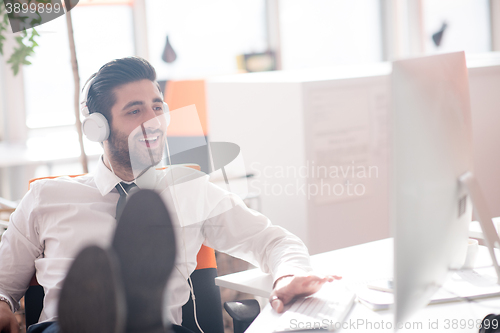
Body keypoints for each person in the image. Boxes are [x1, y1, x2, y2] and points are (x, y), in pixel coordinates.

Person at [0, 57, 340, 333]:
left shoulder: (191, 190)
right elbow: (3, 283)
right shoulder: (48, 196)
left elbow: (273, 241)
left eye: (158, 107)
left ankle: (138, 313)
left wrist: (290, 275)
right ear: (98, 127)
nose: (154, 122)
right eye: (135, 111)